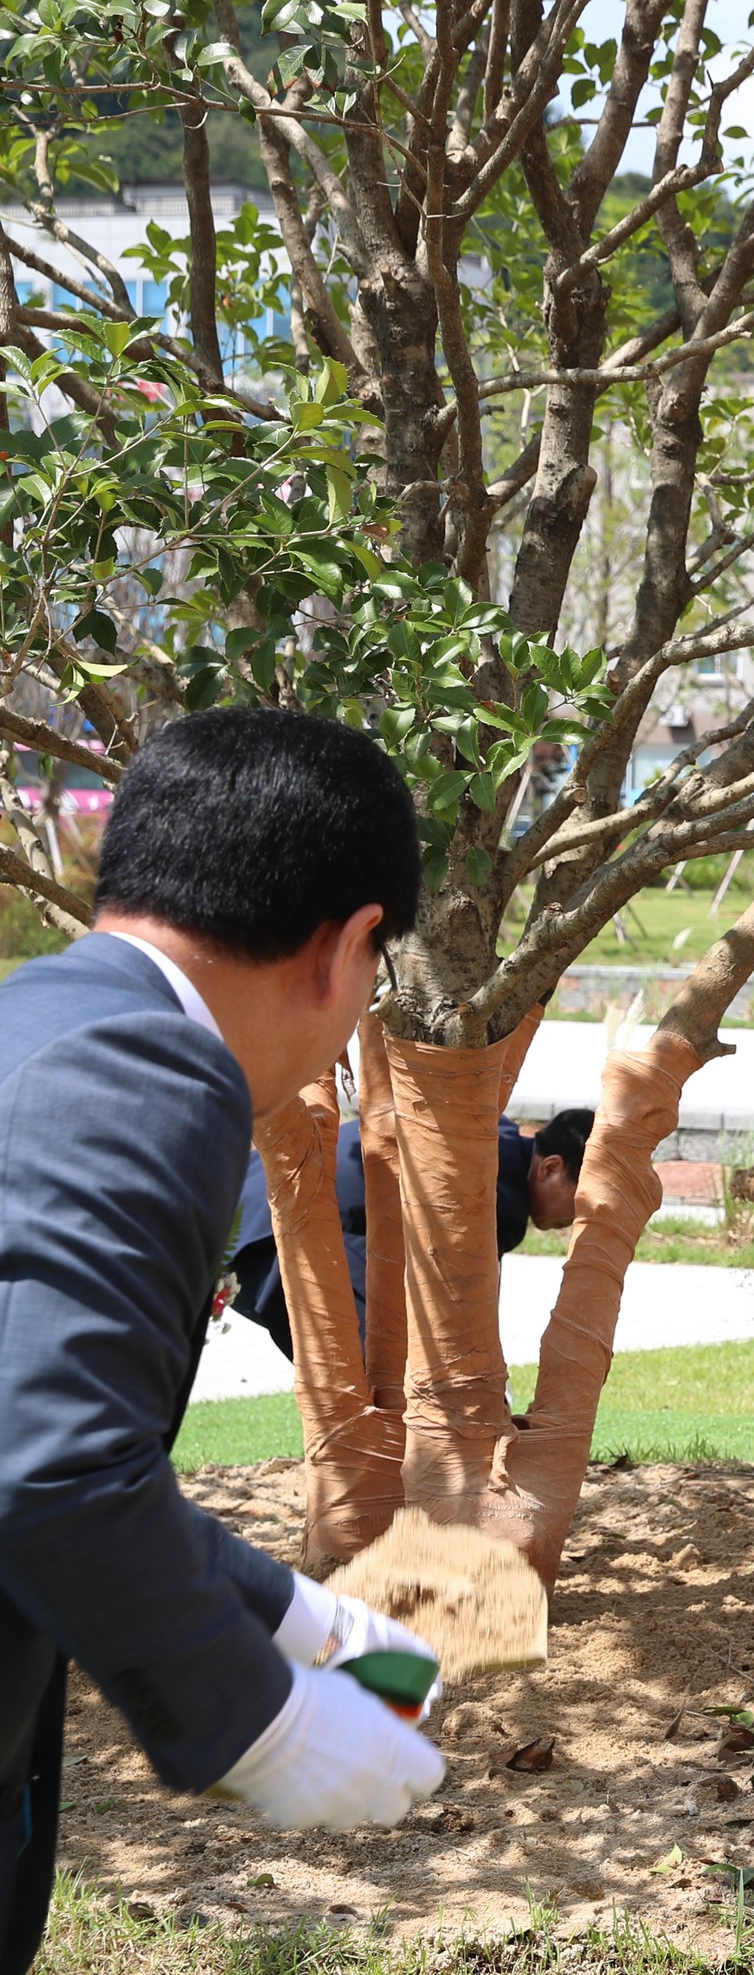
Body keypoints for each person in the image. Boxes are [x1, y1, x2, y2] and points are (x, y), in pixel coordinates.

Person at [0, 709, 454, 1972]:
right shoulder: (147, 1066)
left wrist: (290, 1616)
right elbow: (48, 1471)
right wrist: (274, 1726)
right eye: (377, 970)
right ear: (349, 944)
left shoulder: (43, 1020)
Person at [228, 1112, 591, 1362]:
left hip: (243, 1199)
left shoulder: (491, 1125)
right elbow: (461, 1317)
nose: (580, 1216)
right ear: (552, 1167)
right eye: (584, 1198)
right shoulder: (500, 1198)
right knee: (387, 1367)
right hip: (272, 1236)